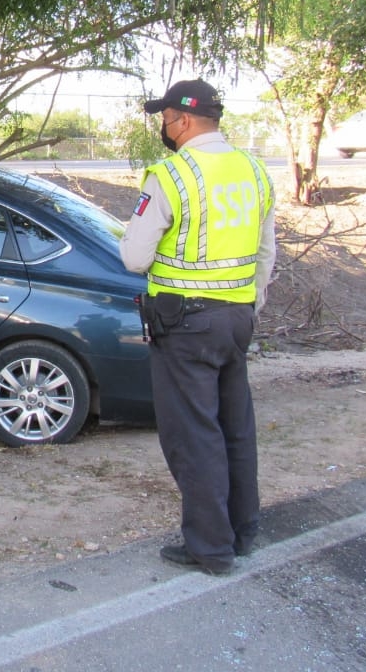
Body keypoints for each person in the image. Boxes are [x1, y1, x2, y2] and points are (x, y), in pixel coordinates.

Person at [119, 80, 276, 576]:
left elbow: (134, 256)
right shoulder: (254, 170)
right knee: (236, 428)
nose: (163, 128)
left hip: (185, 324)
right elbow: (265, 253)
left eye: (163, 118)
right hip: (238, 315)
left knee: (194, 435)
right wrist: (249, 303)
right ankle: (242, 530)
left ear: (182, 120)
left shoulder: (172, 175)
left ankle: (210, 547)